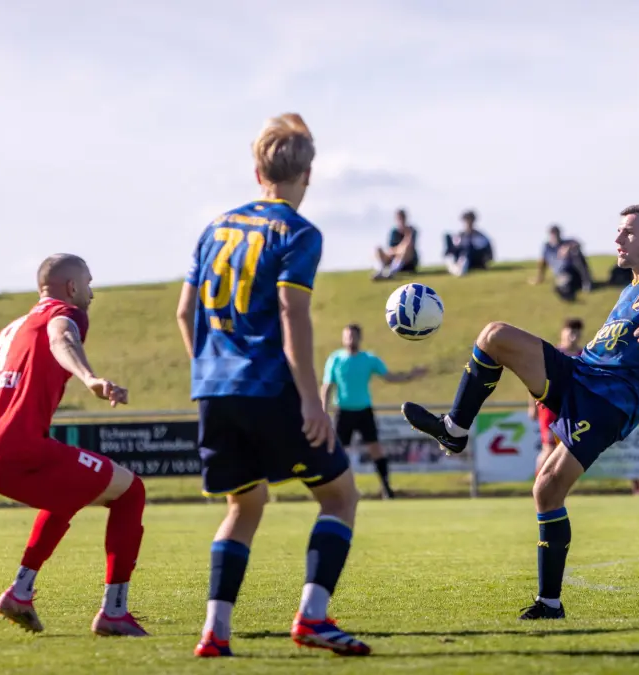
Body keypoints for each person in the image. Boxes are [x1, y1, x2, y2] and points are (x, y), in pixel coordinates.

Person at [402, 204, 639, 620]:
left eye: (628, 232)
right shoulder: (629, 290)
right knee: (494, 336)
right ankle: (455, 429)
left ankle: (549, 602)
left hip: (608, 402)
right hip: (581, 374)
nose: (617, 239)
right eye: (618, 231)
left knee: (547, 489)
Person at [176, 113, 370, 658]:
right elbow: (292, 312)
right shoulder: (298, 232)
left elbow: (184, 310)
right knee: (339, 496)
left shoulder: (215, 227)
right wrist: (311, 399)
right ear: (307, 173)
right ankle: (312, 617)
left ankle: (215, 631)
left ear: (256, 167)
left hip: (213, 389)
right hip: (269, 388)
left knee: (246, 503)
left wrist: (212, 369)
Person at [0, 254, 148, 637]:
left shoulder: (6, 334)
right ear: (72, 287)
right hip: (17, 451)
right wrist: (89, 378)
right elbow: (62, 337)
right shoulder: (66, 312)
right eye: (89, 283)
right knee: (131, 491)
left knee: (68, 494)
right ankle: (114, 611)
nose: (92, 293)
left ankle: (20, 591)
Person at [322, 323, 426, 499]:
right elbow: (327, 386)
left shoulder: (369, 359)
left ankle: (386, 488)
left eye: (353, 336)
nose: (350, 339)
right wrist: (323, 411)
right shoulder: (335, 359)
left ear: (359, 338)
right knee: (338, 452)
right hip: (343, 411)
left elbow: (389, 377)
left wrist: (411, 375)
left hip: (363, 410)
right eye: (347, 336)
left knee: (375, 449)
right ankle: (338, 490)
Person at [526, 318, 584, 474]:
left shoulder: (583, 355)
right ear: (563, 332)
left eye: (577, 332)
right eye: (571, 331)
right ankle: (539, 483)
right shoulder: (554, 354)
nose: (574, 335)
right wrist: (532, 405)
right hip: (550, 407)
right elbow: (536, 378)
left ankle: (555, 489)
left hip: (571, 409)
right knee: (549, 447)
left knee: (566, 451)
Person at [532, 225, 593, 302]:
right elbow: (543, 263)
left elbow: (578, 243)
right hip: (563, 274)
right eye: (553, 234)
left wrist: (568, 247)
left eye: (556, 233)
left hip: (574, 271)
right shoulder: (547, 247)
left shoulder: (566, 242)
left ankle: (587, 283)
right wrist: (540, 277)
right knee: (563, 284)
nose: (555, 236)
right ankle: (569, 295)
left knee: (577, 253)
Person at [443, 210, 494, 276]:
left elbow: (488, 253)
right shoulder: (460, 236)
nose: (468, 223)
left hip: (476, 261)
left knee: (467, 252)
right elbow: (453, 250)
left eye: (470, 221)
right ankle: (456, 268)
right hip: (461, 259)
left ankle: (460, 270)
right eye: (466, 221)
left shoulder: (480, 236)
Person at [373, 209, 418, 281]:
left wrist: (407, 235)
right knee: (378, 248)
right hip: (393, 258)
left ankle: (391, 272)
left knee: (405, 249)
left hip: (408, 263)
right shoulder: (394, 232)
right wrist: (399, 250)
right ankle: (380, 271)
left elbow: (409, 246)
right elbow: (390, 249)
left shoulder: (411, 230)